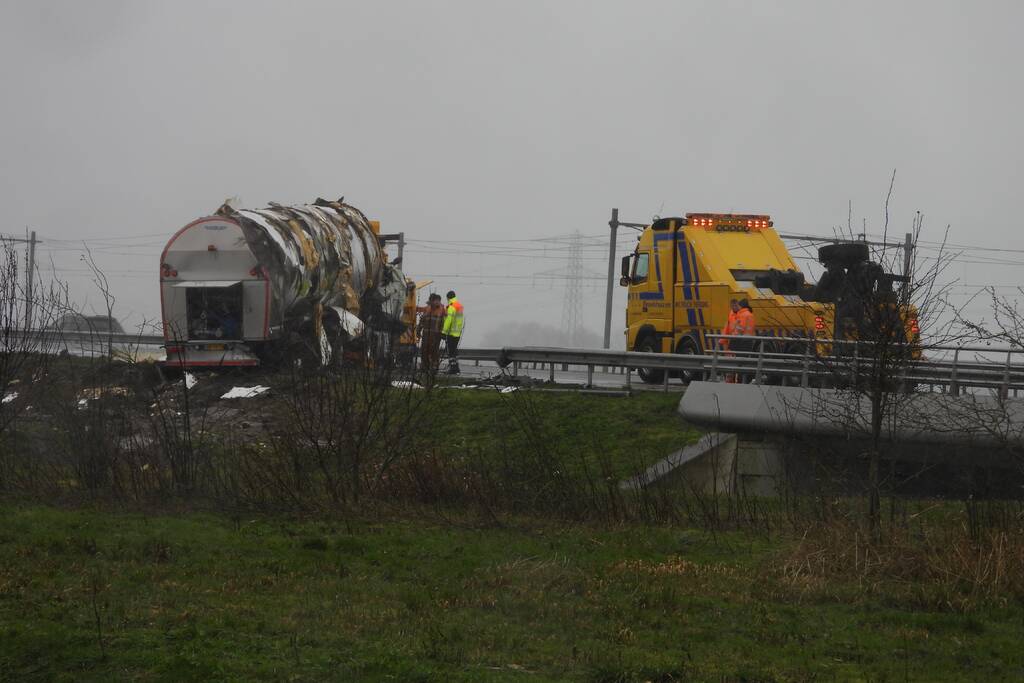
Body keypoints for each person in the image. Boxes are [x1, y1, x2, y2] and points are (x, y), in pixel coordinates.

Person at [417, 293, 446, 371]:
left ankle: (431, 366)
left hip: (434, 335)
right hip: (430, 334)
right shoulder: (429, 309)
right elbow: (422, 321)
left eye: (437, 301)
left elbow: (445, 322)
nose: (436, 303)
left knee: (432, 350)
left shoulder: (440, 310)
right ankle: (428, 366)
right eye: (435, 301)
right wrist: (418, 331)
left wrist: (444, 333)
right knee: (427, 350)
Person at [732, 299, 757, 382]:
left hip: (741, 341)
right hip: (749, 341)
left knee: (740, 363)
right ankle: (747, 379)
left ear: (742, 306)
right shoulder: (750, 314)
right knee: (746, 361)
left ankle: (740, 380)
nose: (737, 307)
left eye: (738, 305)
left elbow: (740, 328)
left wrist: (734, 335)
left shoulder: (742, 314)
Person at [442, 290, 464, 374]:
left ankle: (452, 369)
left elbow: (449, 320)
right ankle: (456, 367)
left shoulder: (451, 307)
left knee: (451, 352)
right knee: (454, 351)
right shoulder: (459, 306)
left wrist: (444, 331)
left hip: (451, 333)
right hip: (457, 333)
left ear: (448, 298)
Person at [719, 299, 740, 383]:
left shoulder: (740, 315)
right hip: (730, 346)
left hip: (737, 345)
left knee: (736, 370)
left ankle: (734, 384)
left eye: (735, 305)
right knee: (730, 370)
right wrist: (725, 348)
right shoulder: (731, 316)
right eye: (733, 306)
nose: (734, 307)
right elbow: (726, 330)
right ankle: (729, 384)